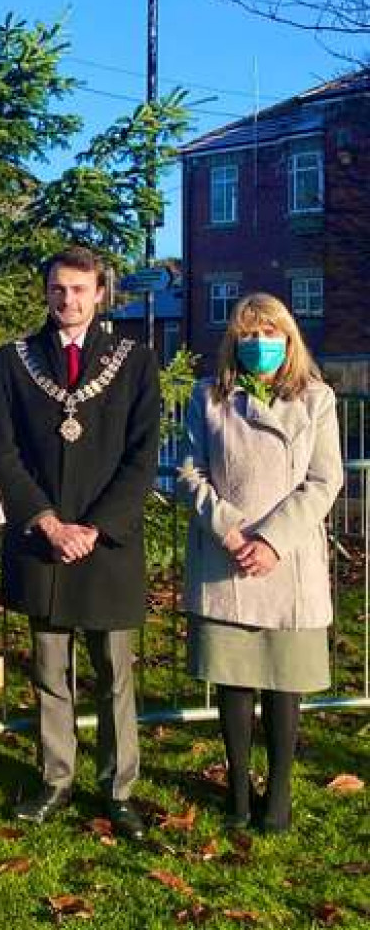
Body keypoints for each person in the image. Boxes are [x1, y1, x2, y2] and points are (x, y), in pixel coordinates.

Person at [0, 247, 160, 840]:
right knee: (49, 672)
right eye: (59, 289)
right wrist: (48, 522)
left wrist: (94, 527)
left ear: (100, 294)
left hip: (106, 544)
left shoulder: (134, 361)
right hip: (45, 542)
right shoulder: (14, 361)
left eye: (80, 290)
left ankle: (119, 790)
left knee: (115, 674)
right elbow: (5, 452)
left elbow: (143, 456)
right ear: (45, 292)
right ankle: (56, 779)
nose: (69, 300)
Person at [178, 292, 343, 834]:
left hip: (286, 560)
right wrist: (229, 528)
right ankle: (239, 787)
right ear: (233, 341)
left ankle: (280, 792)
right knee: (235, 678)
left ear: (289, 339)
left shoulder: (315, 400)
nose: (258, 343)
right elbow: (188, 474)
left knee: (281, 681)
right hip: (227, 559)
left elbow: (324, 481)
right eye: (247, 334)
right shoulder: (209, 397)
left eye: (269, 332)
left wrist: (271, 540)